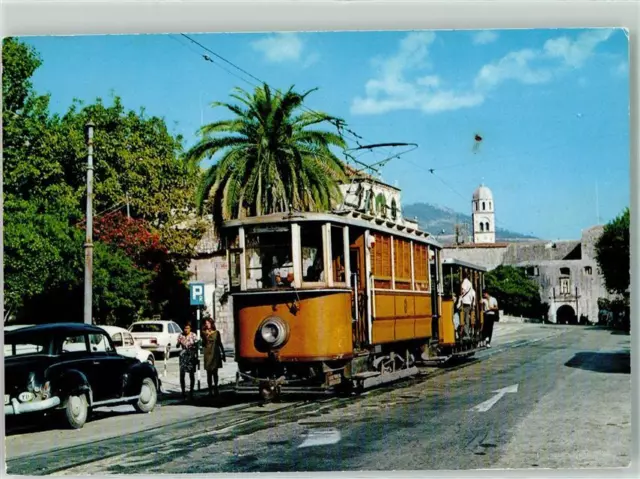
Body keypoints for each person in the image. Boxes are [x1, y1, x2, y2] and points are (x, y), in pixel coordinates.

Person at [201, 317, 226, 396]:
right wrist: (205, 336)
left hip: (215, 354)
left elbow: (219, 343)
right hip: (207, 354)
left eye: (208, 323)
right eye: (206, 323)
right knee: (209, 373)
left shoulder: (216, 332)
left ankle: (216, 387)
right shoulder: (203, 333)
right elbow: (203, 344)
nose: (207, 324)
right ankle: (210, 390)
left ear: (211, 324)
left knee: (215, 373)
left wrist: (223, 353)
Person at [176, 321, 199, 401]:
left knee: (191, 374)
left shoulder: (193, 335)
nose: (186, 330)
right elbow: (177, 345)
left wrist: (195, 355)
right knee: (182, 374)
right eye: (185, 328)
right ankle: (183, 392)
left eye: (187, 328)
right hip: (183, 355)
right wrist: (179, 342)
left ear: (190, 328)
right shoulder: (181, 335)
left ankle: (191, 392)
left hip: (191, 355)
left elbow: (197, 346)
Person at [457, 272, 475, 339]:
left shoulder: (464, 282)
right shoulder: (470, 283)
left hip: (464, 303)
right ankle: (466, 334)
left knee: (464, 319)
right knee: (466, 319)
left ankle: (466, 334)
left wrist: (460, 296)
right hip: (468, 303)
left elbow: (463, 291)